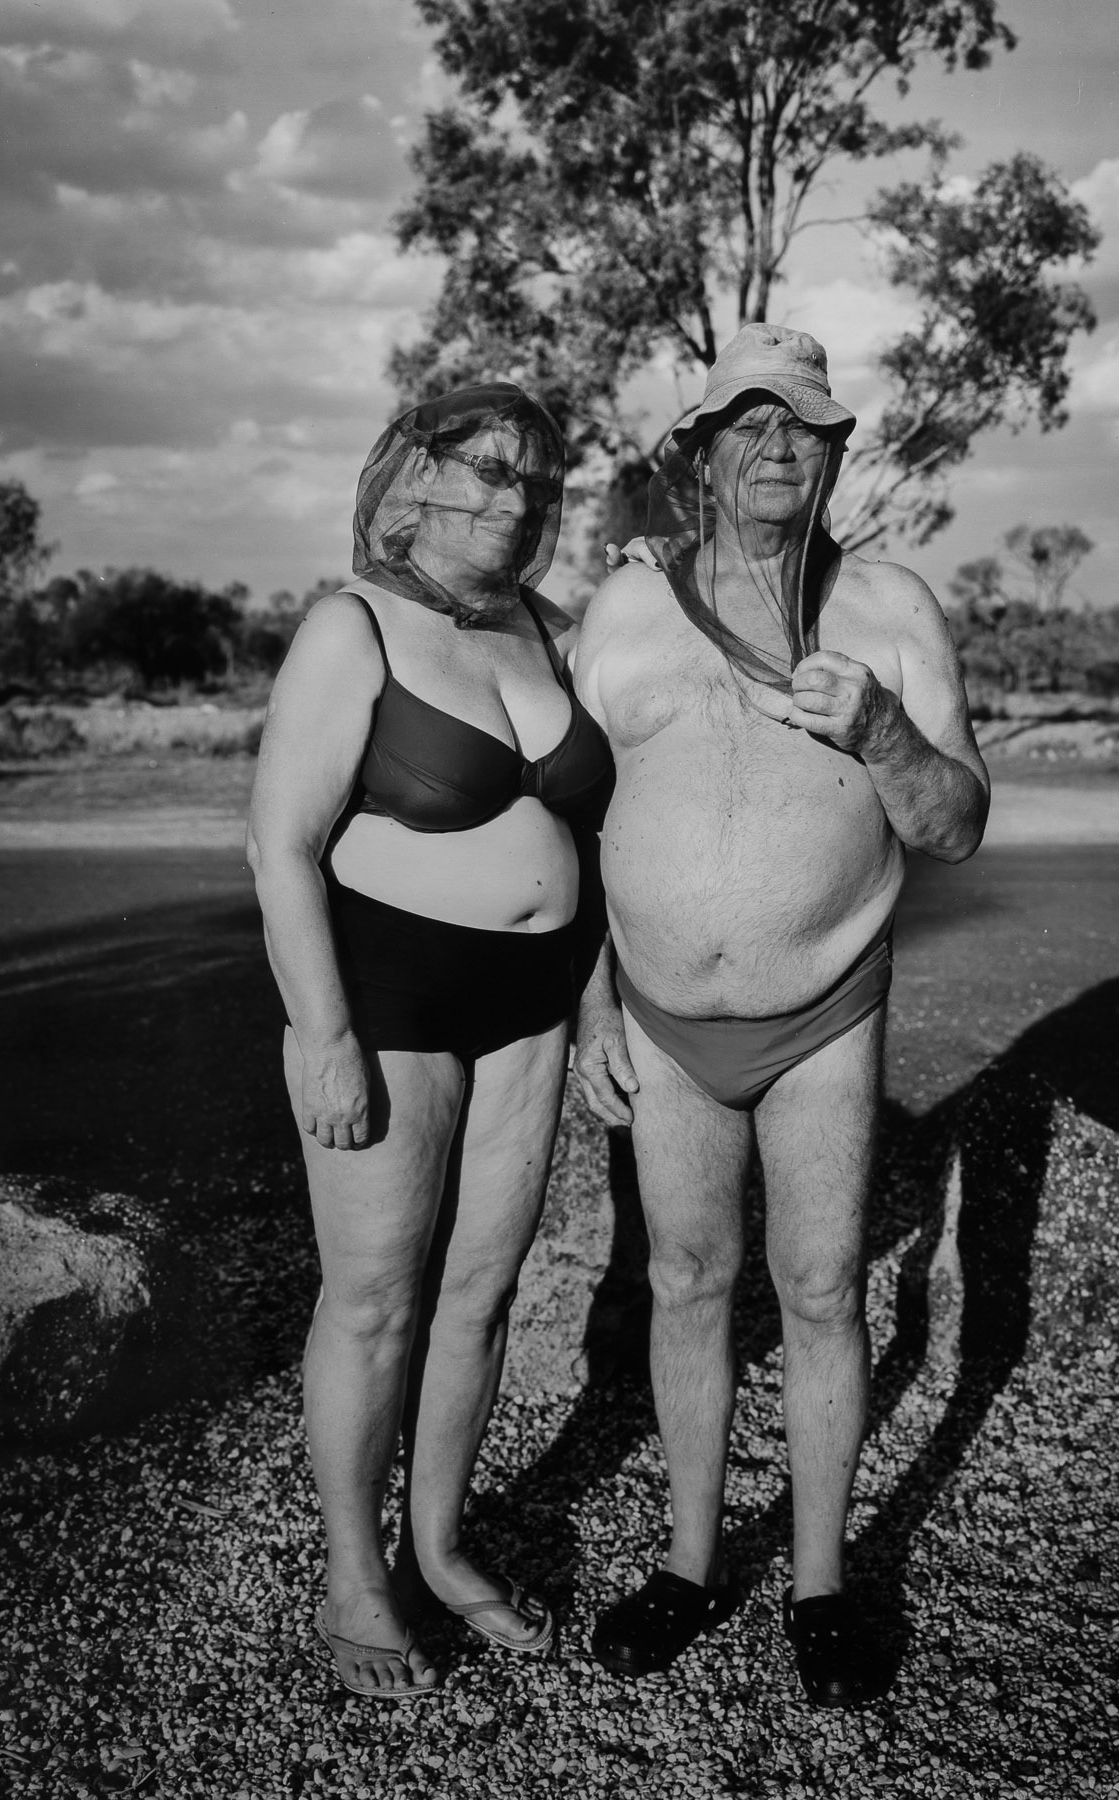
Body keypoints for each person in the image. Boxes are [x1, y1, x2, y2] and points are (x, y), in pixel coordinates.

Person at [571, 323, 988, 1707]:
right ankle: (691, 1564)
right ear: (697, 454)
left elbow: (958, 828)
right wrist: (588, 1009)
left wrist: (880, 732)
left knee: (818, 1292)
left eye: (800, 426)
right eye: (744, 424)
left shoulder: (894, 610)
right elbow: (571, 826)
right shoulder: (624, 610)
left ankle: (818, 1584)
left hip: (825, 1015)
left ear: (834, 452)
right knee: (685, 1283)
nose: (773, 446)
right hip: (661, 1019)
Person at [246, 383, 614, 1700]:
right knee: (376, 1300)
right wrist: (323, 1035)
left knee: (481, 1297)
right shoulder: (353, 629)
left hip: (532, 1007)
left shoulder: (542, 629)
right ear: (416, 473)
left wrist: (599, 998)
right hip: (388, 998)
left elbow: (586, 833)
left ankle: (443, 1548)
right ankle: (358, 1581)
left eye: (539, 478)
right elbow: (280, 847)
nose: (517, 497)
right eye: (491, 468)